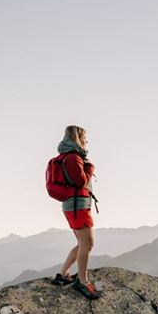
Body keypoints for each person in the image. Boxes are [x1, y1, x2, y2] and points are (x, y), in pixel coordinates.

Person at [50, 125, 101, 299]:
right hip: (77, 206)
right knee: (88, 243)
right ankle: (82, 282)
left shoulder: (69, 156)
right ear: (78, 139)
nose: (87, 143)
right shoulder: (73, 158)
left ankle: (63, 275)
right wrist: (90, 168)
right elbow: (80, 182)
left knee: (82, 243)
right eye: (85, 139)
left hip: (75, 205)